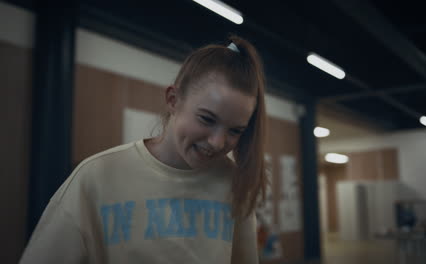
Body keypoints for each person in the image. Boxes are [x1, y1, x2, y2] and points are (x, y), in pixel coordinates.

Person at [20, 35, 267, 264]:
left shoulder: (235, 183)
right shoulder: (96, 177)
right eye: (206, 119)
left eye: (235, 131)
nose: (217, 142)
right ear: (173, 99)